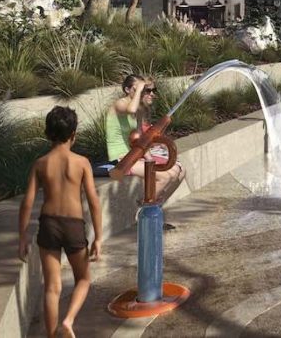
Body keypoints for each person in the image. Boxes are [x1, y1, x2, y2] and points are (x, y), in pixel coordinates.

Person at [18, 106, 102, 338]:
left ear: (47, 133)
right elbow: (94, 201)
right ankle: (68, 320)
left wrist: (22, 236)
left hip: (49, 224)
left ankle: (52, 336)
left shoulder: (41, 163)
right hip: (73, 225)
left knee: (52, 287)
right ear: (74, 134)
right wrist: (99, 238)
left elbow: (27, 202)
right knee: (83, 278)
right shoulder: (82, 162)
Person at [106, 74, 185, 207]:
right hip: (120, 160)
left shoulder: (139, 111)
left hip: (135, 156)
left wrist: (150, 158)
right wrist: (141, 87)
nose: (149, 93)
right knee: (165, 176)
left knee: (179, 172)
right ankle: (143, 210)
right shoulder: (120, 104)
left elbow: (141, 139)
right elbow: (130, 109)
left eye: (151, 90)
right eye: (144, 90)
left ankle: (156, 208)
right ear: (127, 90)